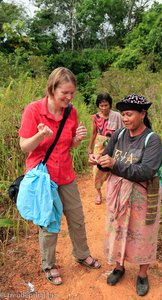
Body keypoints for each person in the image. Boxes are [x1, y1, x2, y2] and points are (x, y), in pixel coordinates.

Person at [18, 67, 101, 286]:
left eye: (72, 93)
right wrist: (40, 134)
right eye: (64, 92)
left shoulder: (70, 112)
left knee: (76, 217)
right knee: (49, 221)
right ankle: (50, 264)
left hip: (65, 173)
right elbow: (25, 146)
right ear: (52, 88)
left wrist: (77, 139)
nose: (69, 97)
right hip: (43, 177)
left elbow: (67, 144)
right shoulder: (33, 110)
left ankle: (82, 254)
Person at [89, 93, 162, 296]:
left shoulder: (152, 140)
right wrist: (100, 161)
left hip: (143, 196)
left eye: (129, 114)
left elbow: (146, 171)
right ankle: (119, 267)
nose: (125, 118)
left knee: (143, 234)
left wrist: (114, 164)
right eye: (123, 115)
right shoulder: (119, 135)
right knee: (118, 229)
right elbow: (108, 159)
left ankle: (142, 274)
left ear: (142, 114)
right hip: (118, 194)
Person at [88, 93, 123, 204]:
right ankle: (98, 192)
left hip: (114, 143)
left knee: (114, 167)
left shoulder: (117, 116)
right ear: (98, 106)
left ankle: (114, 193)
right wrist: (90, 148)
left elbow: (123, 131)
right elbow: (94, 133)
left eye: (106, 105)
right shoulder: (95, 117)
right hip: (100, 144)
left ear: (110, 105)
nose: (104, 108)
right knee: (97, 169)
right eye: (101, 105)